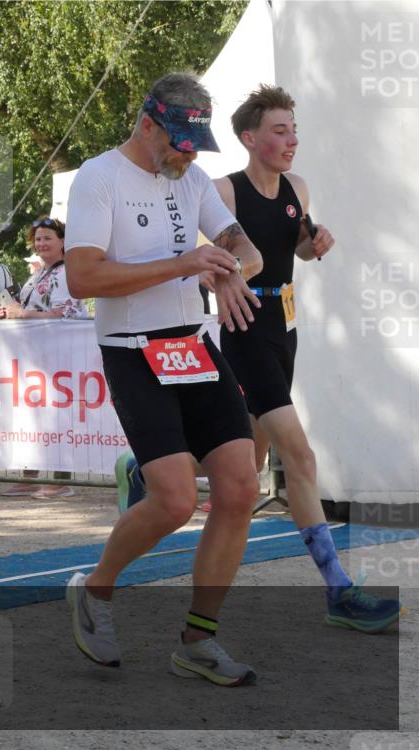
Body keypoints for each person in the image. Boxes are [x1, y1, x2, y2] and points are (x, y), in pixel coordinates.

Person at [63, 73, 265, 686]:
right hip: (131, 351)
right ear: (146, 123)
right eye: (179, 141)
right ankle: (95, 590)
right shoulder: (99, 177)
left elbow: (247, 251)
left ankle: (198, 642)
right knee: (176, 500)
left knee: (239, 489)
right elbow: (83, 278)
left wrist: (230, 271)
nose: (188, 154)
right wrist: (184, 264)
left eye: (196, 144)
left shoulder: (194, 178)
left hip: (194, 348)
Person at [212, 85, 399, 632]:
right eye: (279, 130)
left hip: (285, 327)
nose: (292, 140)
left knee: (243, 466)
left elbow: (293, 244)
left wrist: (311, 247)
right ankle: (339, 590)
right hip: (244, 328)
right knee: (301, 456)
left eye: (294, 129)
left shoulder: (298, 187)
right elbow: (214, 263)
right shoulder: (224, 192)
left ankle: (148, 471)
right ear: (250, 138)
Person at [0, 217, 88, 499]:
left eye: (47, 237)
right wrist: (11, 312)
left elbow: (66, 313)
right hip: (34, 357)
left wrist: (23, 314)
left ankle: (61, 479)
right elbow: (30, 307)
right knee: (32, 415)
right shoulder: (39, 274)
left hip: (59, 357)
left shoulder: (65, 274)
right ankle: (29, 474)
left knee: (57, 416)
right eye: (38, 239)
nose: (41, 243)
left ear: (62, 241)